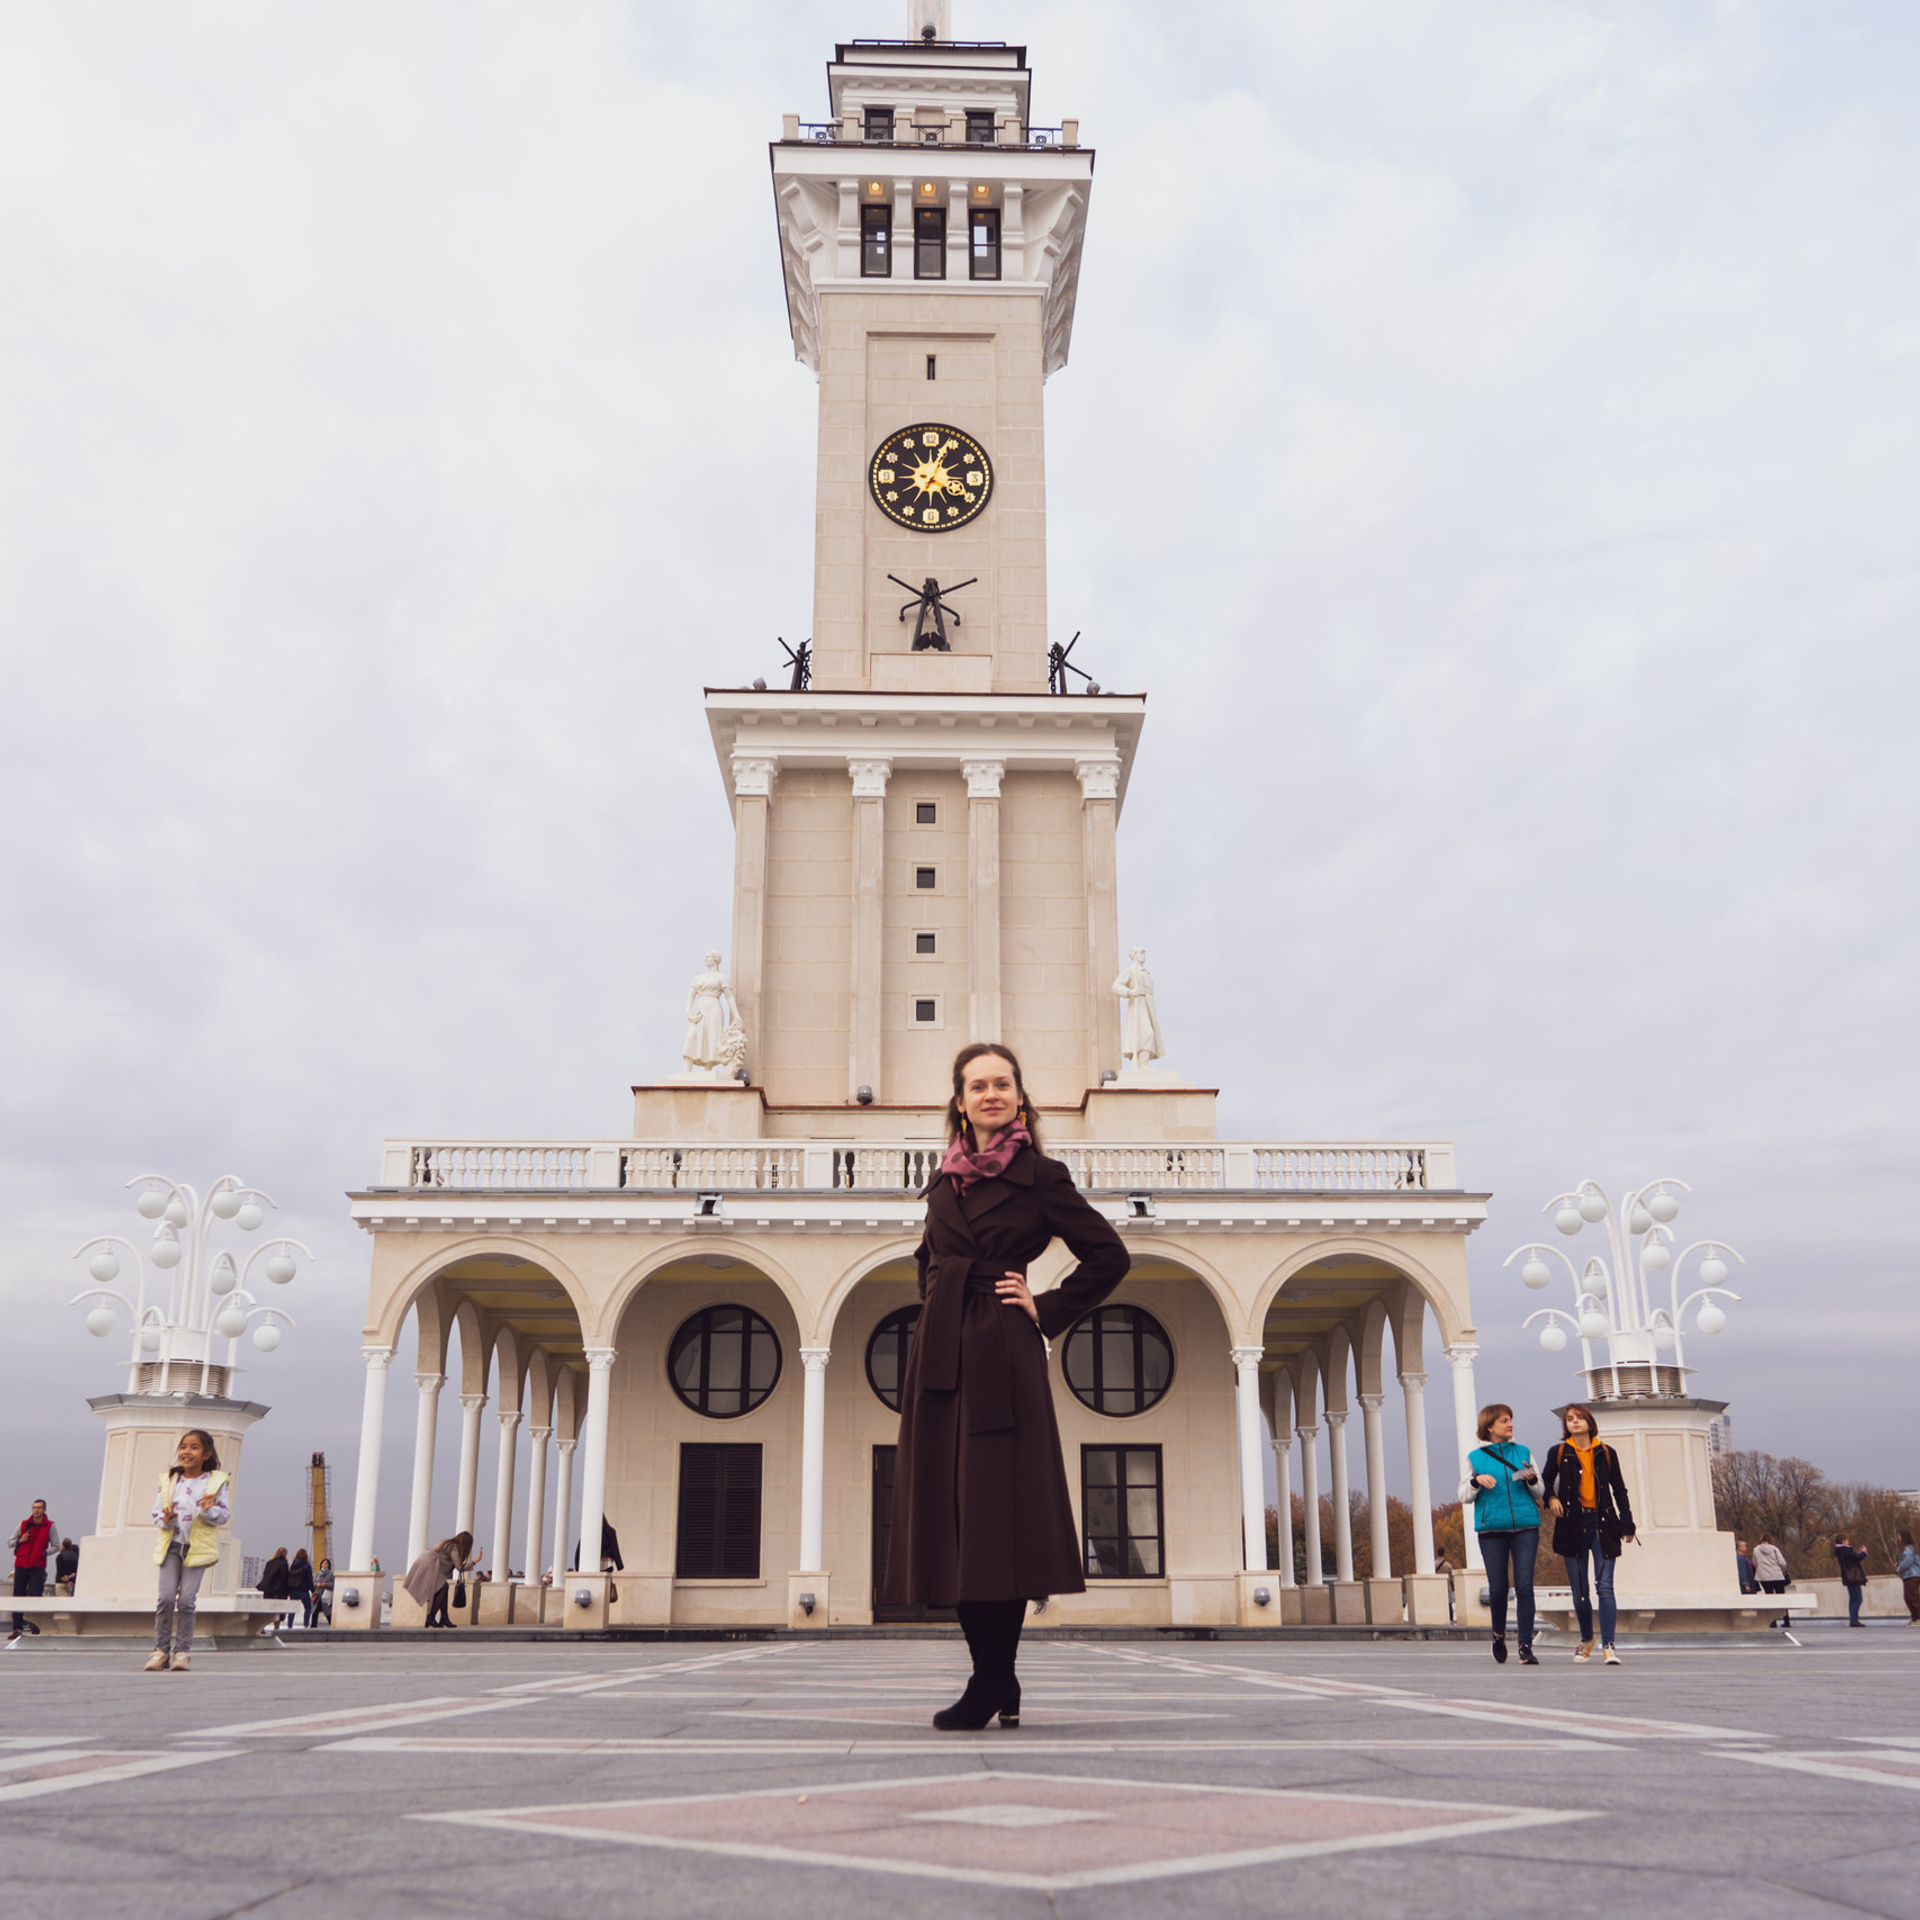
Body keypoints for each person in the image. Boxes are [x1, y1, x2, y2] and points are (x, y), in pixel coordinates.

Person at [885, 1041, 1128, 1729]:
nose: (990, 1094)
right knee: (950, 1519)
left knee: (998, 1521)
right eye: (977, 1085)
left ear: (1020, 1097)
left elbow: (1110, 1255)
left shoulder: (1041, 1177)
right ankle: (1000, 1679)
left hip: (1003, 1354)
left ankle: (989, 1681)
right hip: (940, 1359)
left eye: (1002, 1083)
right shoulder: (942, 1181)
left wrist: (1042, 1306)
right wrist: (937, 1304)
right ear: (959, 1102)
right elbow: (927, 1258)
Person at [1541, 1403, 1636, 1667]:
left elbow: (1619, 1489)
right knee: (1580, 1591)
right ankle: (1586, 1640)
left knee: (1605, 1587)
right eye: (1569, 1419)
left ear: (1589, 1422)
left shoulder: (1606, 1452)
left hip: (1603, 1524)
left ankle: (1609, 1645)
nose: (1574, 1422)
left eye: (1579, 1418)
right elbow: (1546, 1480)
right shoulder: (1559, 1452)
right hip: (1572, 1524)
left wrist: (1627, 1524)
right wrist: (1550, 1498)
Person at [1462, 1404, 1542, 1666]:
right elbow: (1463, 1495)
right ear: (1490, 1427)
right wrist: (1476, 1481)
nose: (1510, 1425)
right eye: (1505, 1421)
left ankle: (1525, 1646)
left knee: (1524, 1586)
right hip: (1492, 1529)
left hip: (1525, 1527)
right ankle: (1498, 1636)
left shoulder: (1523, 1452)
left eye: (1511, 1420)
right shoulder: (1475, 1457)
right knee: (1498, 1589)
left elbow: (1540, 1491)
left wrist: (1531, 1480)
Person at [149, 1429, 230, 1672]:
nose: (187, 1452)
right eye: (184, 1446)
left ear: (206, 1454)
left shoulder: (215, 1482)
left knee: (186, 1600)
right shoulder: (170, 1480)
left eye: (194, 1447)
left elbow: (223, 1515)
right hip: (171, 1545)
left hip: (198, 1549)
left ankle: (182, 1652)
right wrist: (167, 1519)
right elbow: (156, 1514)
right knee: (164, 1598)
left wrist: (207, 1510)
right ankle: (160, 1651)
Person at [8, 1499, 57, 1644]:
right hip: (21, 1565)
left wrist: (43, 1553)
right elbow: (9, 1542)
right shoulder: (23, 1525)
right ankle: (17, 1628)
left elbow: (56, 1545)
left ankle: (35, 1625)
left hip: (38, 1567)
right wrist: (19, 1540)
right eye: (34, 1507)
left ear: (45, 1510)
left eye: (40, 1508)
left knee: (35, 1595)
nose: (36, 1510)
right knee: (18, 1596)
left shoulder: (50, 1526)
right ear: (31, 1509)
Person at [402, 1531, 474, 1630]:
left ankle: (444, 1617)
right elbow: (460, 1567)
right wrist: (475, 1561)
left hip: (426, 1562)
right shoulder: (454, 1547)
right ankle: (431, 1617)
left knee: (444, 1587)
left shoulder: (447, 1543)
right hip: (430, 1564)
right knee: (443, 1587)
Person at [1832, 1534, 1869, 1628]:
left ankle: (1853, 1619)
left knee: (1853, 1599)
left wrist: (1860, 1553)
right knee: (1858, 1598)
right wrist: (1864, 1552)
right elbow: (1856, 1558)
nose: (1848, 1541)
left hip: (1847, 1577)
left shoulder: (1840, 1551)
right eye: (1847, 1540)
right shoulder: (1844, 1550)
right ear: (1843, 1541)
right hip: (1853, 1577)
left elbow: (1852, 1558)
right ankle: (1854, 1619)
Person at [258, 1547, 292, 1629]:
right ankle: (276, 1627)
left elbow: (265, 1574)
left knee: (266, 1609)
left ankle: (262, 1628)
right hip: (279, 1590)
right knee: (279, 1609)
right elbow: (284, 1577)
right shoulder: (284, 1564)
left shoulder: (269, 1562)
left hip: (268, 1588)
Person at [287, 1548, 315, 1628]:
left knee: (292, 1608)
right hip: (303, 1590)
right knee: (308, 1607)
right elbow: (310, 1579)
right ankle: (306, 1625)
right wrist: (313, 1591)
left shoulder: (293, 1564)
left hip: (292, 1590)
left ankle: (289, 1626)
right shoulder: (307, 1565)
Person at [1896, 1530, 1920, 1625]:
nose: (1898, 1538)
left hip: (1912, 1575)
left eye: (1899, 1536)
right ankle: (1914, 1618)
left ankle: (1918, 1617)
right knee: (1908, 1597)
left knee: (1913, 1597)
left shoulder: (1908, 1548)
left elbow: (1908, 1561)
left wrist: (1899, 1569)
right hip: (1910, 1576)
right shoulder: (1910, 1548)